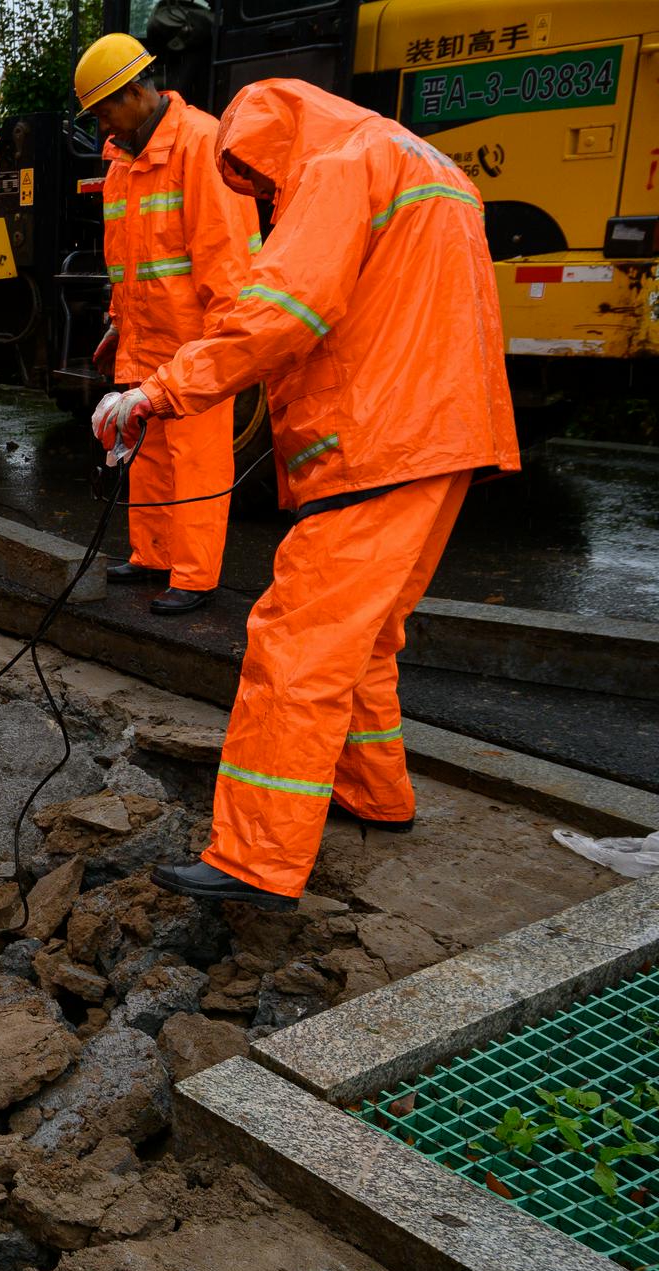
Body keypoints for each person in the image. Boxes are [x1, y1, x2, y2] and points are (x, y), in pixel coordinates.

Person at [94, 78, 519, 910]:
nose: (263, 196)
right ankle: (377, 792)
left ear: (272, 134)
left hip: (376, 441)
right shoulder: (428, 165)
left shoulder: (338, 167)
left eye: (258, 179)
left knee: (294, 642)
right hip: (446, 435)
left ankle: (256, 855)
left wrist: (155, 392)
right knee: (360, 640)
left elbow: (279, 313)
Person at [77, 33, 259, 615]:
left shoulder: (201, 144)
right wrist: (115, 320)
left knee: (198, 458)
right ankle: (152, 553)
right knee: (147, 452)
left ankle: (195, 574)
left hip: (195, 342)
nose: (102, 124)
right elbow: (127, 259)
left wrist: (221, 348)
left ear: (136, 91)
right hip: (142, 338)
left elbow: (227, 260)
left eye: (105, 108)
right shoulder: (123, 160)